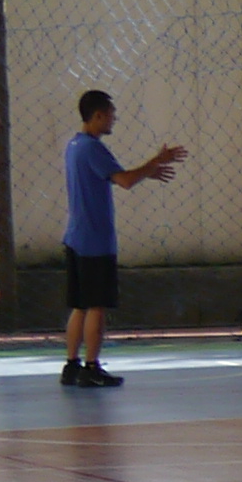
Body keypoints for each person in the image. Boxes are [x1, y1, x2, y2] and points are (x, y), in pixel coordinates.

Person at [54, 88, 182, 388]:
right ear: (98, 115)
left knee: (80, 305)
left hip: (75, 235)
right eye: (111, 115)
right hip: (95, 240)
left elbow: (110, 177)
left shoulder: (74, 145)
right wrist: (155, 162)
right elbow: (124, 180)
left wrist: (146, 171)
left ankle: (71, 364)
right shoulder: (93, 148)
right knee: (97, 305)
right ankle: (91, 367)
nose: (114, 120)